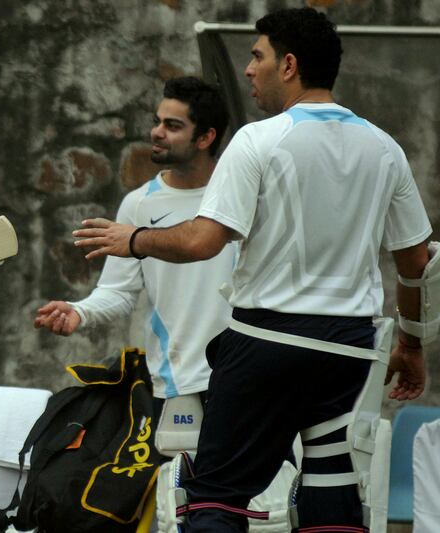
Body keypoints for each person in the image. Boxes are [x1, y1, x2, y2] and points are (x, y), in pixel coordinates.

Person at [73, 7, 432, 532]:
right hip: (348, 349)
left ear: (288, 65)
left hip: (268, 341)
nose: (247, 69)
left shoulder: (257, 139)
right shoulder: (385, 148)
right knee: (331, 491)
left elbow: (202, 240)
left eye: (256, 56)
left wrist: (135, 239)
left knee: (215, 494)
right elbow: (418, 263)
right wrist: (412, 345)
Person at [34, 76, 233, 409]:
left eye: (172, 125)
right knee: (177, 465)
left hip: (244, 376)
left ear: (206, 137)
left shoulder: (240, 194)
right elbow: (120, 291)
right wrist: (80, 312)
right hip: (176, 382)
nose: (156, 132)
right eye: (157, 121)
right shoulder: (139, 204)